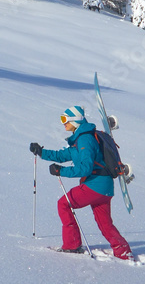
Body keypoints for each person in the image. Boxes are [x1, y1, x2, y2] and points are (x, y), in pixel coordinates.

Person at [30, 106, 132, 260]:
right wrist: (41, 152)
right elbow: (63, 155)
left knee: (64, 204)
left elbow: (85, 168)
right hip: (104, 188)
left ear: (75, 120)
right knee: (105, 224)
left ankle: (72, 245)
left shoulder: (85, 139)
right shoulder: (81, 138)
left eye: (65, 119)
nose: (63, 123)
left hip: (95, 185)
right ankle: (123, 251)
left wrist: (61, 171)